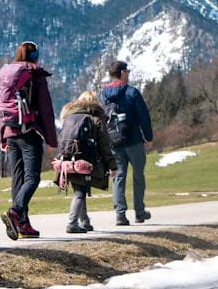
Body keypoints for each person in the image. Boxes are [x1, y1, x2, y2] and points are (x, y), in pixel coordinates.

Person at [0, 41, 57, 239]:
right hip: (29, 131)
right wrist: (51, 139)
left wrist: (2, 136)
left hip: (10, 131)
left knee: (18, 178)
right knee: (32, 178)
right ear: (35, 56)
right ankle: (15, 212)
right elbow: (46, 110)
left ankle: (23, 224)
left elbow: (0, 106)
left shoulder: (8, 76)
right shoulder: (35, 75)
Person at [55, 90, 117, 234]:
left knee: (80, 189)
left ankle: (85, 221)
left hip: (67, 160)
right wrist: (112, 165)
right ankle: (72, 223)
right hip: (86, 160)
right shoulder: (96, 117)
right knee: (81, 192)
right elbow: (104, 144)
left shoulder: (69, 116)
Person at [101, 60, 154, 226]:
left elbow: (100, 119)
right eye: (127, 71)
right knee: (138, 176)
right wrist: (148, 137)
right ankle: (139, 212)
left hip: (113, 142)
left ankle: (120, 214)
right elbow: (143, 116)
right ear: (123, 73)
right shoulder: (132, 92)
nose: (129, 74)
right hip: (134, 141)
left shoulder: (102, 95)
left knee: (118, 176)